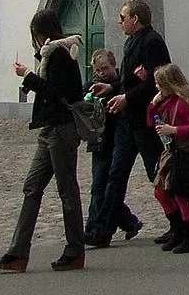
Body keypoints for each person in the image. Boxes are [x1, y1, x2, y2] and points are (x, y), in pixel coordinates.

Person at [0, 10, 86, 273]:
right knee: (32, 187)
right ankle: (19, 251)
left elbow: (58, 92)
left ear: (41, 33)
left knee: (67, 190)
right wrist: (31, 75)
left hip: (62, 128)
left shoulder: (62, 55)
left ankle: (74, 249)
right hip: (48, 130)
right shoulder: (48, 55)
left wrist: (28, 77)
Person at [86, 0, 171, 247]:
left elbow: (158, 82)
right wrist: (112, 87)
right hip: (128, 122)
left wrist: (126, 98)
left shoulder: (153, 42)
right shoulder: (132, 41)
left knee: (158, 172)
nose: (119, 21)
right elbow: (128, 81)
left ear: (135, 19)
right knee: (115, 176)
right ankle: (102, 231)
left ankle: (180, 223)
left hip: (145, 122)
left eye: (123, 17)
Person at [83, 50, 143, 245]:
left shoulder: (122, 84)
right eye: (98, 70)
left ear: (113, 65)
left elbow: (124, 89)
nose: (102, 73)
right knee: (99, 185)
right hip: (99, 140)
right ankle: (127, 222)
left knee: (108, 185)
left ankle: (96, 228)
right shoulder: (92, 85)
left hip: (118, 138)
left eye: (105, 69)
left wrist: (111, 90)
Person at [150, 63, 189, 253]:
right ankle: (177, 230)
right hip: (169, 152)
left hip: (183, 152)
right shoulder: (165, 102)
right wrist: (153, 104)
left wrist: (174, 130)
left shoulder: (182, 104)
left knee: (179, 194)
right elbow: (150, 121)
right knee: (160, 191)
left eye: (160, 84)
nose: (157, 88)